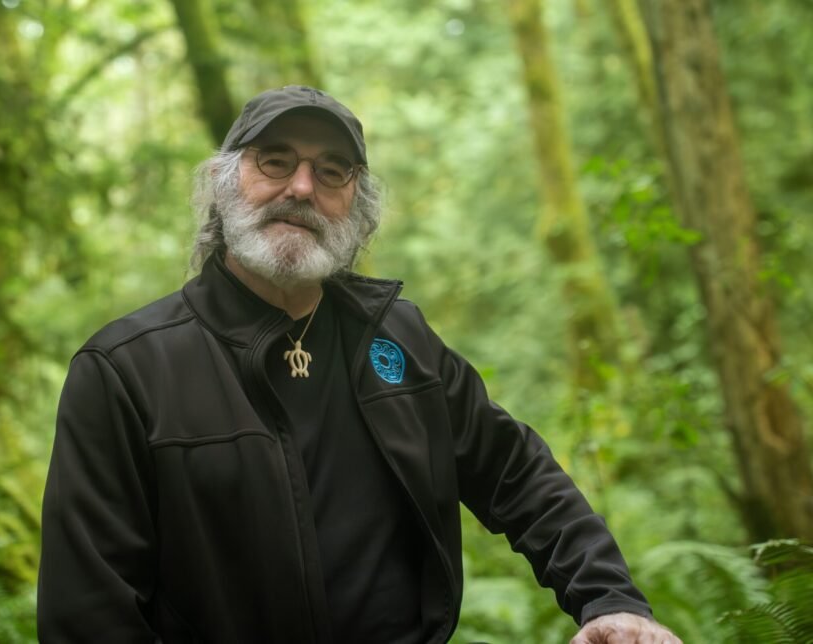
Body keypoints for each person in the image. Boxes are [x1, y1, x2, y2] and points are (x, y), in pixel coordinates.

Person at [37, 85, 681, 644]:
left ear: (359, 204)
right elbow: (90, 615)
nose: (301, 188)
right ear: (224, 181)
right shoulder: (124, 370)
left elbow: (516, 472)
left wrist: (610, 598)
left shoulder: (400, 340)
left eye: (333, 171)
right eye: (275, 161)